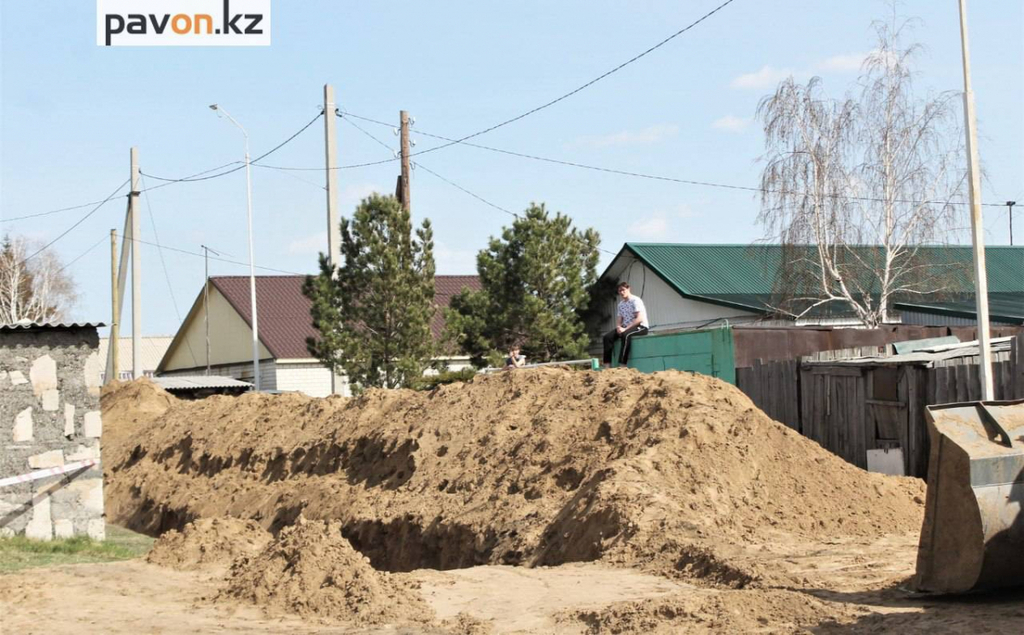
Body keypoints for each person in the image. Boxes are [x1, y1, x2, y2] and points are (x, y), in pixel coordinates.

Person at [603, 281, 649, 367]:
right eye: (620, 291)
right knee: (607, 338)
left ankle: (622, 365)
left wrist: (625, 329)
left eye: (623, 290)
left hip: (640, 326)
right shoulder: (621, 304)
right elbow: (619, 318)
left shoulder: (635, 300)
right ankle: (607, 366)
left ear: (628, 289)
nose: (621, 292)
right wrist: (618, 327)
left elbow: (639, 319)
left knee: (626, 335)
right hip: (625, 327)